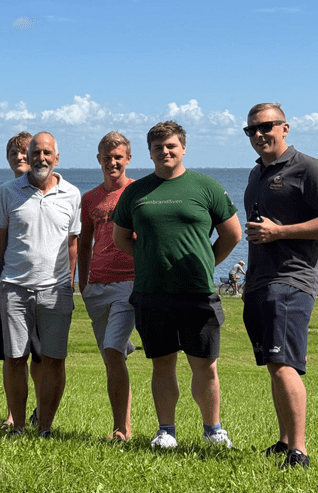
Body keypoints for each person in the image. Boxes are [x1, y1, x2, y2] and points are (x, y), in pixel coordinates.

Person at [112, 120, 241, 448]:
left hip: (197, 293)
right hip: (151, 293)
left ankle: (213, 429)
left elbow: (232, 234)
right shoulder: (136, 191)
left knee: (205, 366)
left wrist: (207, 262)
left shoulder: (205, 186)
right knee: (162, 364)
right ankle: (166, 431)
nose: (165, 151)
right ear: (150, 152)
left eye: (171, 146)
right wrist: (147, 260)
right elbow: (122, 238)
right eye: (158, 147)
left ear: (183, 148)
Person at [0, 131, 81, 437]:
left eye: (47, 153)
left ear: (57, 158)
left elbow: (73, 245)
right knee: (14, 358)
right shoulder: (9, 191)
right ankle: (19, 426)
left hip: (56, 290)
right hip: (14, 288)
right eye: (36, 152)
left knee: (53, 359)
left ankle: (46, 427)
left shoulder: (72, 194)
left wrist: (70, 285)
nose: (40, 158)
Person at [242, 103, 318, 469]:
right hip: (259, 280)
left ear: (285, 127)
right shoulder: (258, 173)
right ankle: (285, 439)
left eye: (266, 127)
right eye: (251, 130)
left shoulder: (307, 168)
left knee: (285, 362)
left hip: (291, 278)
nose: (258, 134)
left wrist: (280, 232)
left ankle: (299, 451)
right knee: (275, 362)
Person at [78, 131, 136, 442]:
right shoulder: (89, 199)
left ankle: (121, 429)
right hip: (96, 288)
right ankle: (126, 345)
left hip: (128, 283)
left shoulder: (138, 192)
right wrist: (83, 284)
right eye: (107, 157)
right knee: (109, 355)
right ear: (99, 159)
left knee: (112, 351)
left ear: (128, 159)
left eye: (118, 157)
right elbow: (84, 244)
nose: (112, 162)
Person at [0, 132, 43, 429]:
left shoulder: (50, 190)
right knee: (13, 355)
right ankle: (13, 414)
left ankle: (41, 411)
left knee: (42, 357)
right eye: (13, 153)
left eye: (24, 152)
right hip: (6, 285)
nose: (19, 157)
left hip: (43, 286)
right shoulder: (0, 193)